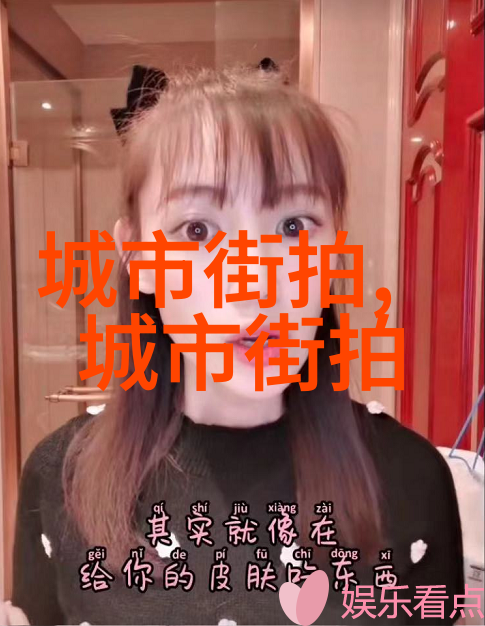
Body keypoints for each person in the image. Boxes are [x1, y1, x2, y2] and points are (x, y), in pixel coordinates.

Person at [6, 66, 464, 625]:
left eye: (294, 227)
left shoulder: (410, 478)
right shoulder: (61, 476)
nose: (255, 284)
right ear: (138, 257)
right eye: (198, 231)